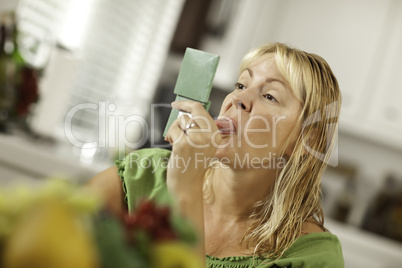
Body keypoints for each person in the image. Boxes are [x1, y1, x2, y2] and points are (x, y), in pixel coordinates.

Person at [87, 42, 344, 267]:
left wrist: (186, 185)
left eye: (269, 96)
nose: (238, 97)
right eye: (241, 84)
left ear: (305, 139)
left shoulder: (311, 257)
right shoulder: (141, 177)